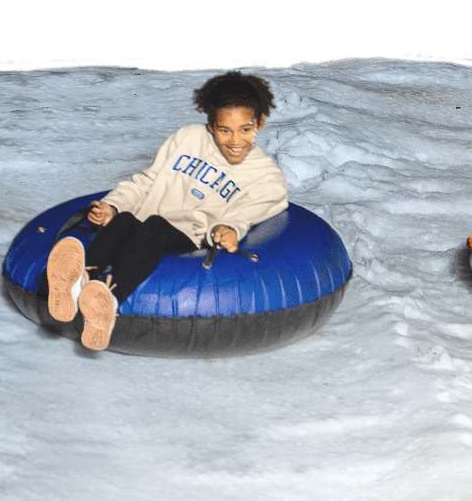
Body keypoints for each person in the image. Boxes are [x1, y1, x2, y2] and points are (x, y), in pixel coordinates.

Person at [45, 70, 289, 351]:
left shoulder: (267, 178)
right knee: (124, 220)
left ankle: (109, 302)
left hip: (190, 235)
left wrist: (230, 229)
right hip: (146, 220)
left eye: (245, 129)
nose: (235, 141)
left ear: (259, 122)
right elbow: (148, 180)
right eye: (225, 130)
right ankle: (79, 281)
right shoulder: (188, 138)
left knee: (154, 228)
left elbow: (248, 214)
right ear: (211, 125)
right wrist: (114, 204)